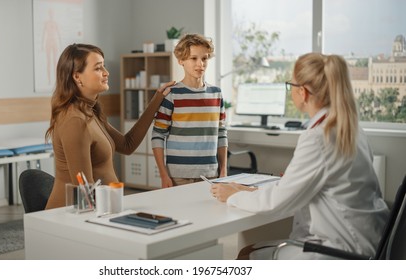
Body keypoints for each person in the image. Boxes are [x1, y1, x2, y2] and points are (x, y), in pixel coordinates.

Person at [210, 53, 389, 259]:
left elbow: (278, 201)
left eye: (291, 85)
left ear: (302, 92)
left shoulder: (318, 137)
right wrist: (249, 191)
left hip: (341, 251)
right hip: (371, 241)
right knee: (251, 249)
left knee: (246, 255)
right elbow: (301, 187)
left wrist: (233, 196)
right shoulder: (350, 127)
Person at [45, 43, 174, 209]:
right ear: (77, 76)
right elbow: (85, 192)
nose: (106, 73)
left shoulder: (90, 112)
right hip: (72, 216)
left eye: (104, 66)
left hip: (101, 208)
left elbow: (127, 145)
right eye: (98, 68)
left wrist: (157, 99)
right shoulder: (75, 121)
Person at [151, 33, 228, 188]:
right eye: (194, 58)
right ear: (181, 61)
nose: (200, 64)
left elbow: (222, 133)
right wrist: (164, 174)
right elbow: (158, 135)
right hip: (178, 175)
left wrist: (224, 169)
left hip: (210, 174)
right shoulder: (171, 94)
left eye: (204, 58)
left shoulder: (216, 93)